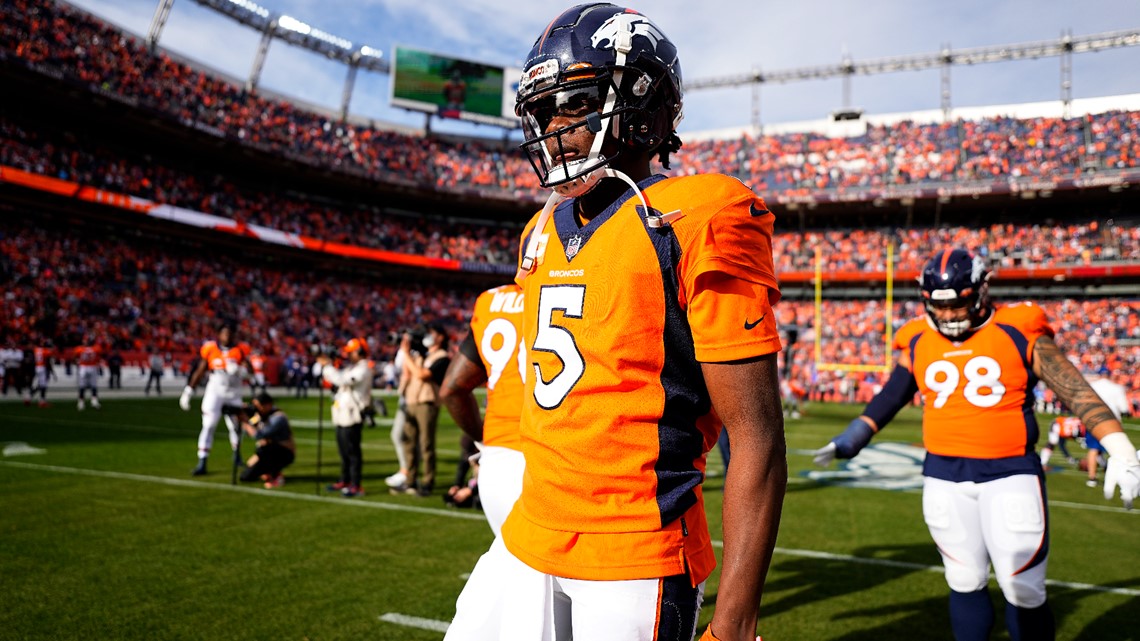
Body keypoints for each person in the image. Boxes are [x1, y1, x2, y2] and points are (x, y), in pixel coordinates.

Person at [444, 6, 786, 641]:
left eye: (571, 104)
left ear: (642, 101)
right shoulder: (540, 229)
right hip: (528, 529)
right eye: (541, 112)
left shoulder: (699, 216)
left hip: (635, 547)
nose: (552, 129)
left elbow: (757, 435)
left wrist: (735, 623)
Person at [813, 248, 1140, 641]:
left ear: (981, 290)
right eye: (940, 306)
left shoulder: (1017, 328)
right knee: (963, 578)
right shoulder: (918, 337)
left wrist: (1119, 446)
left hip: (1010, 473)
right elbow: (891, 395)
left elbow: (1074, 389)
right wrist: (853, 438)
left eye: (959, 304)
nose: (949, 315)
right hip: (943, 476)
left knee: (1023, 587)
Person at [439, 282, 527, 535]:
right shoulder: (575, 287)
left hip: (497, 460)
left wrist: (485, 438)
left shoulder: (491, 301)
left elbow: (451, 389)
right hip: (550, 458)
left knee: (511, 564)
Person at [180, 321, 252, 477]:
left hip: (233, 392)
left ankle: (237, 455)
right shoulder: (211, 349)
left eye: (230, 333)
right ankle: (202, 461)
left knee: (235, 426)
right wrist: (189, 390)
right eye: (225, 333)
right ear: (219, 334)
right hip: (215, 391)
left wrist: (241, 371)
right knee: (208, 425)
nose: (228, 336)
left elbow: (250, 371)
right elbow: (200, 370)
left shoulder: (240, 350)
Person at [393, 324, 450, 497]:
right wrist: (407, 352)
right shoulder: (420, 355)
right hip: (411, 400)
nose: (429, 336)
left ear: (441, 337)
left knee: (426, 444)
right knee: (408, 443)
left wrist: (406, 354)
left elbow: (422, 375)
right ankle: (410, 480)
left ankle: (427, 481)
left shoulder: (443, 357)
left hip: (427, 402)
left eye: (432, 333)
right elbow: (407, 373)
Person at [318, 337, 374, 498]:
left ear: (361, 352)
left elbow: (342, 380)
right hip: (342, 413)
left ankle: (356, 484)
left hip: (353, 413)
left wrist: (328, 366)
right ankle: (345, 480)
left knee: (352, 451)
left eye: (352, 352)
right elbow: (335, 381)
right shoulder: (352, 367)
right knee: (343, 450)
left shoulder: (363, 369)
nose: (349, 355)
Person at [1082, 367, 1131, 488]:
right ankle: (1120, 478)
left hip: (1093, 420)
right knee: (1116, 451)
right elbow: (1124, 408)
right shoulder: (1116, 388)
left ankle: (1092, 478)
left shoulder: (1092, 386)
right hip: (1111, 422)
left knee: (1093, 449)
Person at [237, 392, 295, 489]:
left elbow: (259, 435)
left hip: (283, 452)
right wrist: (247, 416)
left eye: (258, 406)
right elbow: (248, 432)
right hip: (267, 451)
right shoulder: (259, 416)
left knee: (266, 450)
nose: (256, 408)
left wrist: (246, 421)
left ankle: (276, 476)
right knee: (246, 475)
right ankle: (269, 472)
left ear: (268, 405)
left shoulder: (278, 417)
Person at [73, 335, 103, 410]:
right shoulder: (96, 348)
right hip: (92, 367)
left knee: (83, 386)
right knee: (93, 385)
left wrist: (77, 363)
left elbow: (75, 358)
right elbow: (99, 357)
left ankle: (81, 402)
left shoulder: (79, 349)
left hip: (83, 367)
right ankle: (93, 401)